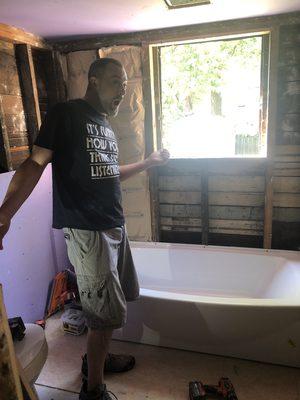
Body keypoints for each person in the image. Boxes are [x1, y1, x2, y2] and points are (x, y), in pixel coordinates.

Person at [0, 57, 170, 400]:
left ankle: (98, 361)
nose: (122, 91)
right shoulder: (67, 114)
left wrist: (148, 162)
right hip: (88, 230)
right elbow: (34, 163)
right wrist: (5, 214)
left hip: (113, 226)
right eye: (115, 82)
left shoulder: (104, 125)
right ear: (93, 80)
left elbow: (111, 174)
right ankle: (93, 390)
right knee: (103, 314)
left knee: (111, 307)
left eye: (125, 85)